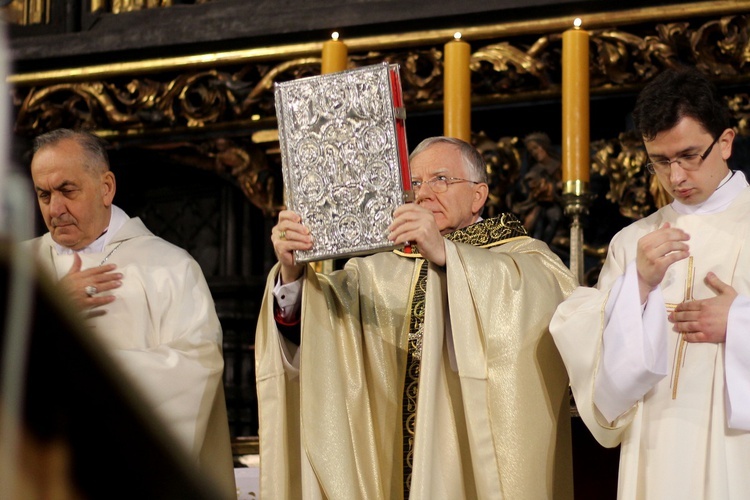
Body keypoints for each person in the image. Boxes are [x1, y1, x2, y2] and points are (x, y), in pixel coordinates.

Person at [256, 136, 577, 499]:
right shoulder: (374, 272)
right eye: (415, 185)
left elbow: (550, 307)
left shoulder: (524, 259)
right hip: (391, 465)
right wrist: (292, 272)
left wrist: (448, 255)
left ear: (478, 195)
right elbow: (317, 334)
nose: (423, 195)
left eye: (440, 179)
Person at [550, 68, 750, 498]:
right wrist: (636, 288)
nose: (675, 177)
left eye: (689, 155)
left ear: (727, 142)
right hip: (654, 445)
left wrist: (739, 322)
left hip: (737, 448)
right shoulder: (631, 243)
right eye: (660, 161)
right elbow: (602, 374)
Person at [27, 128, 236, 498]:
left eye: (67, 191)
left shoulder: (169, 267)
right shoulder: (20, 270)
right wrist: (45, 310)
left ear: (106, 187)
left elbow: (198, 368)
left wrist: (91, 372)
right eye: (44, 195)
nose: (54, 209)